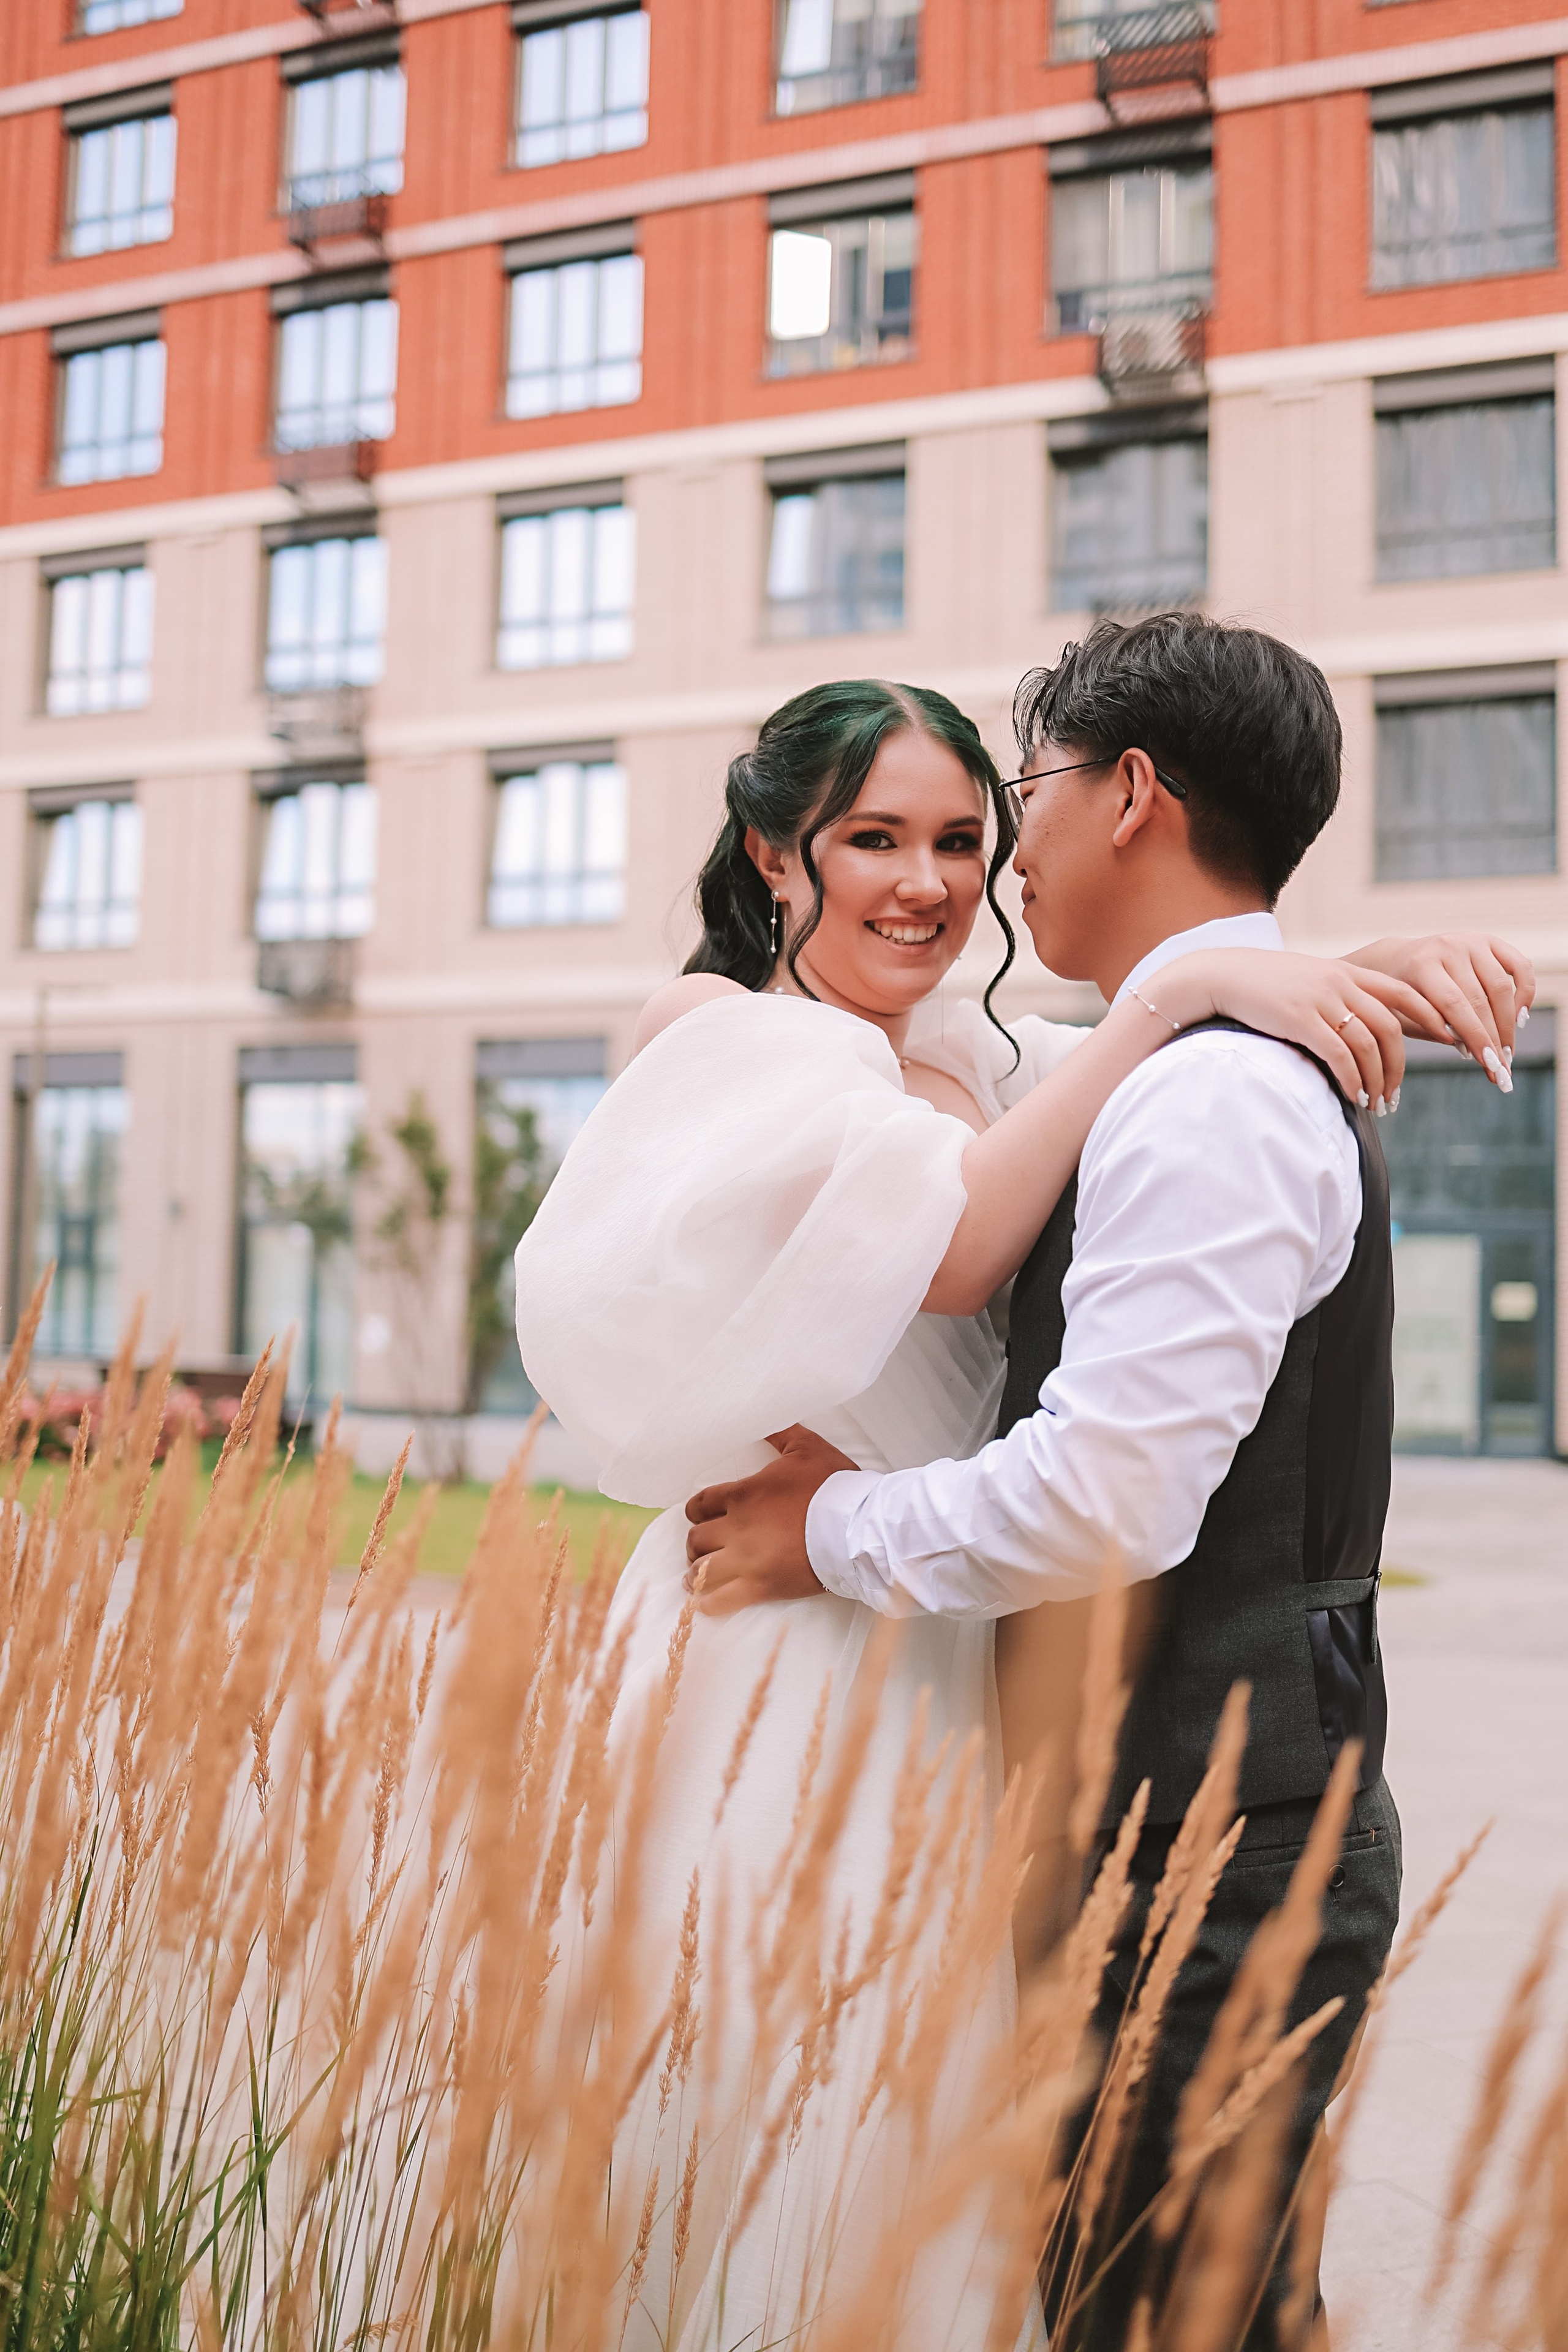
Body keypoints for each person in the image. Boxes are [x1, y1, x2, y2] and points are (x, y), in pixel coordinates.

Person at [514, 666, 1524, 2352]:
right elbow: (967, 1241)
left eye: (969, 836)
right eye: (873, 838)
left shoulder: (992, 1053)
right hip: (781, 1645)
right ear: (776, 856)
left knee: (972, 2187)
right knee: (778, 2148)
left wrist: (1343, 967)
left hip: (961, 1684)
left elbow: (1156, 1045)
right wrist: (1187, 986)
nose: (933, 879)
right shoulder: (720, 1036)